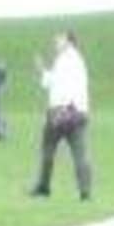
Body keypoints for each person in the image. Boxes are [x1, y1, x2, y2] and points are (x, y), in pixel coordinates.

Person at [29, 30, 92, 200]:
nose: (56, 41)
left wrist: (64, 109)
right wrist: (43, 70)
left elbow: (61, 86)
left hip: (62, 111)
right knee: (80, 153)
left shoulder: (66, 60)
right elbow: (55, 82)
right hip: (78, 112)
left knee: (48, 150)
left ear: (69, 41)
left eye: (60, 39)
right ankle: (85, 190)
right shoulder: (75, 60)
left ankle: (43, 186)